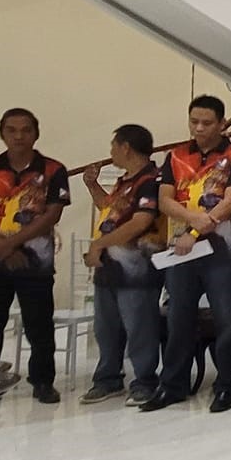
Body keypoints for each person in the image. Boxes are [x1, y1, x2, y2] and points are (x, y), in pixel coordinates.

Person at [143, 96, 231, 413]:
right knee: (178, 319)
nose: (200, 128)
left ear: (221, 124)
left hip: (221, 253)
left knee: (227, 320)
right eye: (194, 122)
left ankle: (226, 386)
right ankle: (173, 385)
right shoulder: (175, 156)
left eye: (207, 123)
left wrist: (196, 231)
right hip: (180, 252)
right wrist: (193, 222)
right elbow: (164, 200)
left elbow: (230, 202)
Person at [0, 108, 71, 405]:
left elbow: (51, 215)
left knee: (39, 325)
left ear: (36, 133)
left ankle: (43, 381)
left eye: (25, 130)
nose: (19, 136)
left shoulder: (53, 169)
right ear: (2, 134)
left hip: (35, 262)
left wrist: (10, 245)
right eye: (12, 130)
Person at [78, 124, 167, 406]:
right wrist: (92, 185)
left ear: (125, 147)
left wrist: (98, 245)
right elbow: (109, 209)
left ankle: (144, 381)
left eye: (113, 145)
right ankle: (107, 378)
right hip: (109, 268)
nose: (111, 152)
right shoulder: (125, 182)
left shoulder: (151, 180)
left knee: (139, 326)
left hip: (136, 269)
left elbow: (140, 221)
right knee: (106, 328)